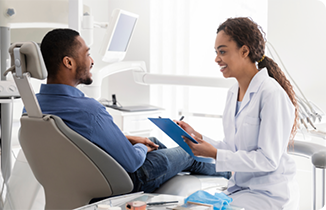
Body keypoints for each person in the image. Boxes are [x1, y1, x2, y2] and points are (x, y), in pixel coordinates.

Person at [27, 28, 231, 195]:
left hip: (80, 177)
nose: (91, 61)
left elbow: (79, 140)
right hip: (126, 179)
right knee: (188, 152)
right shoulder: (90, 110)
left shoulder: (34, 107)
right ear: (68, 62)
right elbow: (132, 162)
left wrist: (134, 140)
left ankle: (173, 161)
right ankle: (233, 174)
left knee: (151, 139)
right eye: (87, 54)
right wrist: (142, 149)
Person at [177, 17, 299, 209]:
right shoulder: (233, 92)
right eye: (216, 52)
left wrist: (216, 154)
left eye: (223, 51)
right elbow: (233, 147)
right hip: (240, 188)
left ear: (244, 51)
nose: (217, 59)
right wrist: (198, 137)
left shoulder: (271, 94)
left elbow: (268, 160)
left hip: (268, 194)